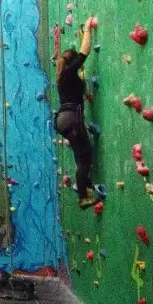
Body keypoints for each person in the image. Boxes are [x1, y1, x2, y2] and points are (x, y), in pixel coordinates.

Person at [55, 16, 99, 209]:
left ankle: (86, 187)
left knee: (80, 156)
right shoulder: (68, 72)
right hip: (72, 117)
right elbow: (84, 53)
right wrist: (88, 30)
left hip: (64, 118)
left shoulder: (62, 76)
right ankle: (83, 196)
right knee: (86, 155)